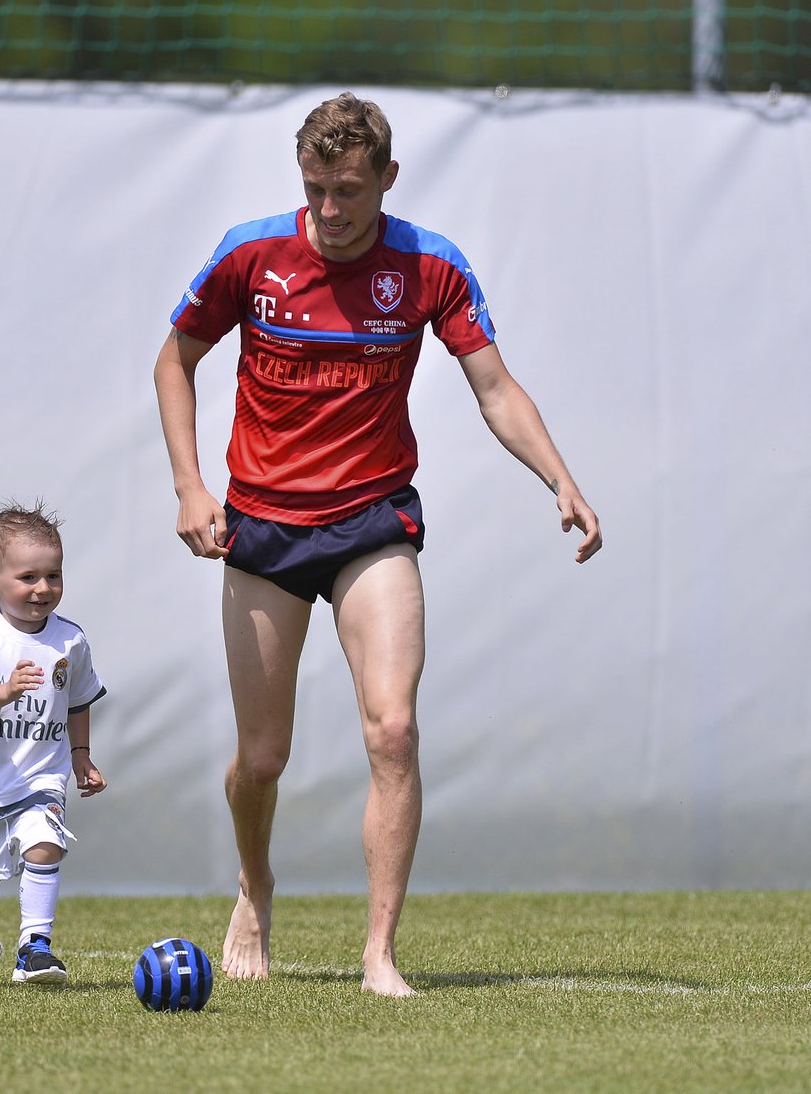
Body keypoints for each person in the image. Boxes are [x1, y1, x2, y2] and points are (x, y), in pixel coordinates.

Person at [153, 92, 601, 998]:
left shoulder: (431, 266)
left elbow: (495, 388)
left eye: (349, 190)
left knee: (393, 730)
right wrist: (192, 487)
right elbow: (175, 359)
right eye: (316, 188)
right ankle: (255, 884)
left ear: (387, 179)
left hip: (371, 520)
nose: (330, 209)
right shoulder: (251, 255)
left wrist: (559, 476)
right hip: (264, 524)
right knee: (263, 759)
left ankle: (378, 954)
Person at [0, 501, 108, 986]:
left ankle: (34, 948)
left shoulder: (70, 641)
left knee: (44, 845)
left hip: (43, 775)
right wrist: (7, 692)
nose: (43, 589)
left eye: (53, 576)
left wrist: (81, 757)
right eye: (29, 577)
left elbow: (78, 701)